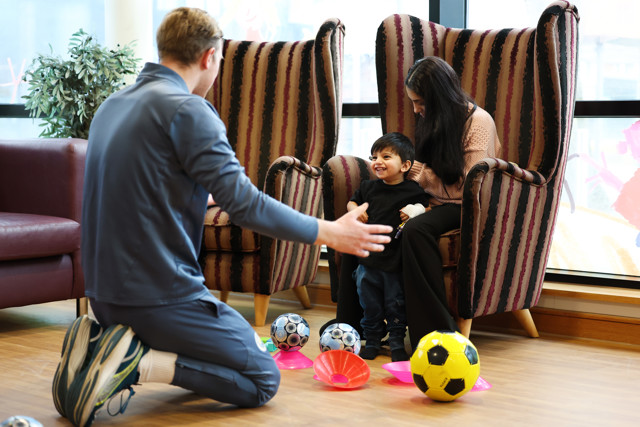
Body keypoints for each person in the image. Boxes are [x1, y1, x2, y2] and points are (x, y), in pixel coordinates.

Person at [53, 8, 392, 427]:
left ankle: (101, 344)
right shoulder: (188, 111)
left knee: (242, 342)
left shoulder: (112, 106)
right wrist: (331, 232)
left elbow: (139, 186)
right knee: (261, 376)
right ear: (210, 57)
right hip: (157, 298)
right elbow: (247, 206)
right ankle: (136, 362)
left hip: (103, 297)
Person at [322, 56, 501, 352]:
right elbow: (427, 175)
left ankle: (435, 332)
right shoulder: (432, 121)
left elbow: (469, 186)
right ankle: (351, 324)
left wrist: (417, 173)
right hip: (430, 200)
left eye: (420, 102)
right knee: (369, 224)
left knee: (416, 230)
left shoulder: (477, 122)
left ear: (439, 96)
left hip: (463, 207)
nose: (416, 109)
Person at [349, 132, 430, 362]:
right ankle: (372, 341)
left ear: (405, 165)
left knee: (395, 303)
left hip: (395, 261)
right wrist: (354, 209)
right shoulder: (368, 187)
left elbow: (429, 208)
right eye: (374, 156)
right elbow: (352, 201)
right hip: (368, 260)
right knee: (369, 303)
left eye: (386, 156)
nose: (377, 161)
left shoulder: (413, 190)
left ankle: (396, 343)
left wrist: (416, 209)